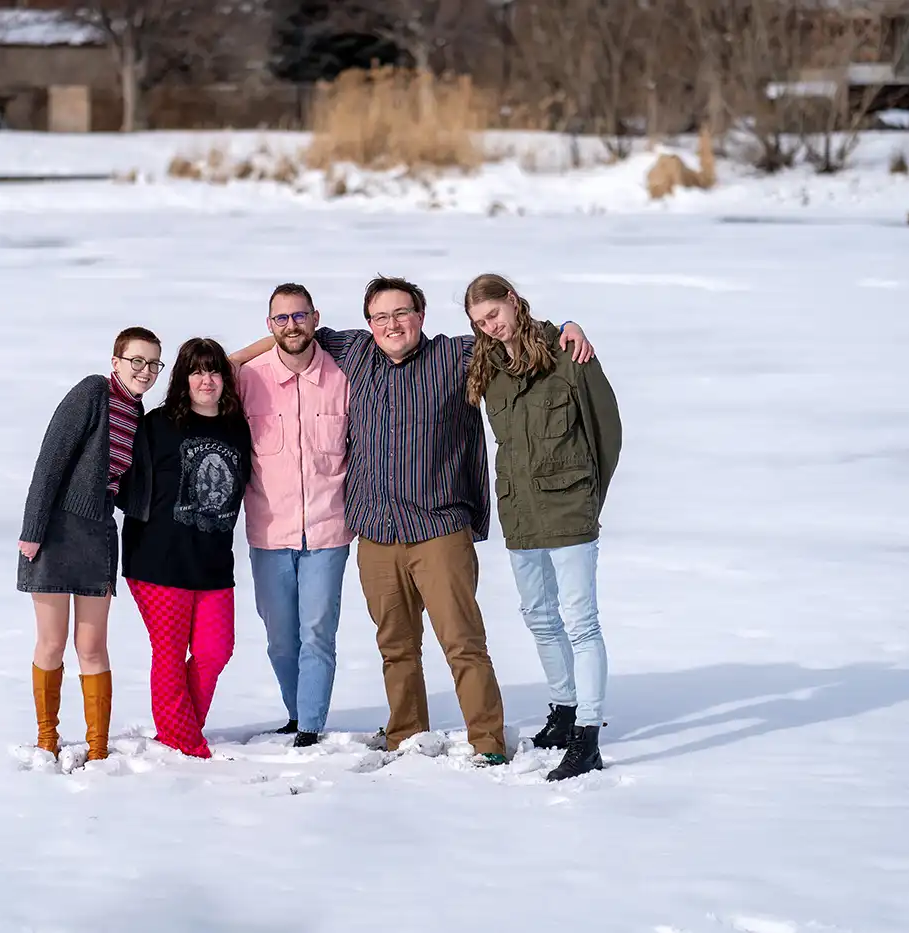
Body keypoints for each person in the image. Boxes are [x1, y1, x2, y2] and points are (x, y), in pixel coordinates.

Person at [232, 277, 593, 766]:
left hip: (439, 528)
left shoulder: (457, 356)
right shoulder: (355, 351)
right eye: (380, 317)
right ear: (368, 324)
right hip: (377, 533)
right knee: (395, 646)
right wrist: (230, 361)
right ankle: (406, 731)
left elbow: (510, 335)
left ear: (421, 316)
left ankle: (487, 739)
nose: (391, 324)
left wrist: (563, 328)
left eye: (401, 313)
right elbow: (291, 334)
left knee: (463, 642)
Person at [464, 273, 621, 781]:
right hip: (520, 513)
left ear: (512, 300)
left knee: (580, 620)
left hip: (570, 511)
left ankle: (589, 734)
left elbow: (607, 432)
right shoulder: (489, 365)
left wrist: (587, 499)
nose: (491, 327)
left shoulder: (567, 353)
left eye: (494, 314)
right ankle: (564, 710)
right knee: (539, 615)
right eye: (480, 323)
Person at [17, 327, 163, 763]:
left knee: (93, 646)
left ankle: (98, 748)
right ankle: (48, 740)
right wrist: (33, 529)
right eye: (136, 360)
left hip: (99, 534)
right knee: (52, 642)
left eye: (153, 363)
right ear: (116, 361)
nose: (145, 370)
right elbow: (51, 460)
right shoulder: (92, 393)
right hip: (56, 531)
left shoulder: (137, 413)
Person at [120, 338, 253, 759]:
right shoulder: (158, 425)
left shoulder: (237, 426)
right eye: (197, 371)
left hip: (214, 562)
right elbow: (124, 484)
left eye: (214, 371)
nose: (206, 379)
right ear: (182, 377)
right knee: (171, 653)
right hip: (158, 559)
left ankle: (180, 729)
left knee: (216, 651)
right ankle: (183, 742)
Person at [237, 283, 353, 749]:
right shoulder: (248, 378)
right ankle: (294, 712)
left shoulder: (344, 374)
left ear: (316, 317)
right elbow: (202, 370)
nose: (292, 326)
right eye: (281, 319)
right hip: (268, 532)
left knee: (317, 633)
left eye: (300, 316)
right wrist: (260, 348)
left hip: (329, 529)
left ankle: (310, 724)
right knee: (281, 639)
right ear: (269, 326)